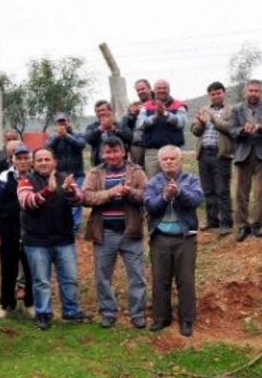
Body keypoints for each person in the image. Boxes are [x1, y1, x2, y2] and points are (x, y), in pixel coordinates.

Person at [18, 148, 91, 330]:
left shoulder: (65, 179)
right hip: (36, 242)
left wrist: (69, 192)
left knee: (69, 278)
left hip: (63, 239)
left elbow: (79, 199)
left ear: (54, 162)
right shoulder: (26, 181)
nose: (43, 162)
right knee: (41, 281)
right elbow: (27, 201)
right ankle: (43, 314)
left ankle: (71, 312)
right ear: (33, 163)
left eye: (47, 159)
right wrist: (47, 191)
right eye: (39, 159)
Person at [82, 137, 148, 329]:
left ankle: (137, 314)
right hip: (104, 233)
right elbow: (85, 197)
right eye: (108, 152)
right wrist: (110, 193)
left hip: (130, 232)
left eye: (115, 151)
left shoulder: (136, 171)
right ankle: (108, 313)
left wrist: (131, 193)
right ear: (103, 153)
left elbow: (146, 195)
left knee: (137, 275)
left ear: (123, 152)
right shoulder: (95, 172)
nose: (111, 155)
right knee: (103, 277)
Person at [143, 146, 204, 337]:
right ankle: (161, 317)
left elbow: (196, 199)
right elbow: (150, 206)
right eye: (165, 159)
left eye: (173, 158)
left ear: (180, 161)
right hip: (160, 237)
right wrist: (164, 197)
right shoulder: (153, 182)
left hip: (185, 238)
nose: (169, 162)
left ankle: (186, 319)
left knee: (185, 280)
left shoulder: (191, 179)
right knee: (160, 279)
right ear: (160, 162)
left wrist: (179, 193)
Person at [0, 144, 35, 319]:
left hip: (31, 232)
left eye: (25, 158)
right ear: (12, 161)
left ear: (31, 160)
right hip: (8, 231)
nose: (22, 162)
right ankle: (6, 304)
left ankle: (30, 303)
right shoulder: (4, 177)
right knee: (8, 269)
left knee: (31, 269)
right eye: (19, 158)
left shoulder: (35, 177)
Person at [229, 80, 262, 242]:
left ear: (261, 92)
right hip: (243, 153)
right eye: (250, 90)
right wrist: (243, 130)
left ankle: (257, 225)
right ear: (245, 92)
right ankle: (242, 226)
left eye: (256, 91)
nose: (253, 93)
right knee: (239, 193)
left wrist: (260, 127)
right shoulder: (237, 109)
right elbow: (232, 129)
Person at [190, 81, 234, 236]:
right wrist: (201, 123)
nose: (215, 96)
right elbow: (195, 131)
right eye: (212, 94)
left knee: (222, 189)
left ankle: (226, 222)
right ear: (209, 95)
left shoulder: (231, 110)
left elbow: (231, 128)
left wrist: (213, 120)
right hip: (204, 154)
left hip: (221, 154)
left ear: (224, 93)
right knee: (208, 189)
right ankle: (212, 220)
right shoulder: (204, 109)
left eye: (218, 93)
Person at [45, 112, 87, 231]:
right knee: (60, 199)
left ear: (68, 122)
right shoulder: (52, 138)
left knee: (77, 198)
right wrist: (59, 136)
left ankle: (75, 226)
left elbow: (80, 145)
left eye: (64, 122)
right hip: (60, 175)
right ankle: (62, 223)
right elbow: (48, 148)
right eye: (59, 123)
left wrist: (66, 136)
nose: (62, 125)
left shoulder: (77, 135)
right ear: (55, 125)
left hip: (77, 173)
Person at [140, 79, 188, 177]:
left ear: (169, 90)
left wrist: (166, 114)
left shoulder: (179, 105)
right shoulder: (146, 106)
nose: (162, 90)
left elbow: (181, 123)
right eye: (159, 88)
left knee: (174, 180)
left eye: (164, 88)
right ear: (154, 90)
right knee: (153, 181)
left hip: (173, 150)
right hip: (153, 152)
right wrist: (155, 117)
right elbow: (140, 125)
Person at [84, 100, 133, 166]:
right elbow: (88, 140)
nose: (101, 113)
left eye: (103, 110)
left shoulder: (120, 125)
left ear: (110, 111)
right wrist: (100, 129)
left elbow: (129, 137)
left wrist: (114, 129)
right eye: (98, 111)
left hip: (120, 163)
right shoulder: (92, 127)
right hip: (99, 164)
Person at [123, 79, 154, 168]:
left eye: (143, 89)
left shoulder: (157, 103)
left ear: (149, 89)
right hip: (137, 144)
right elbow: (124, 125)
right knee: (137, 171)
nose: (140, 92)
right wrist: (131, 114)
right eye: (138, 90)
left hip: (153, 144)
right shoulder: (134, 105)